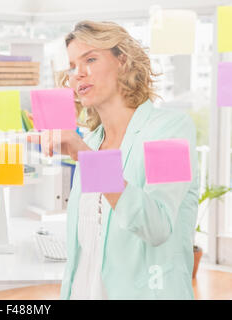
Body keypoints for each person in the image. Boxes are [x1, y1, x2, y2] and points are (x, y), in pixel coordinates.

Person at [36, 21, 199, 299]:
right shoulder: (93, 140)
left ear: (122, 60)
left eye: (90, 59)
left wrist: (85, 157)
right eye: (73, 66)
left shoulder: (172, 130)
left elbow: (157, 225)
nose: (79, 74)